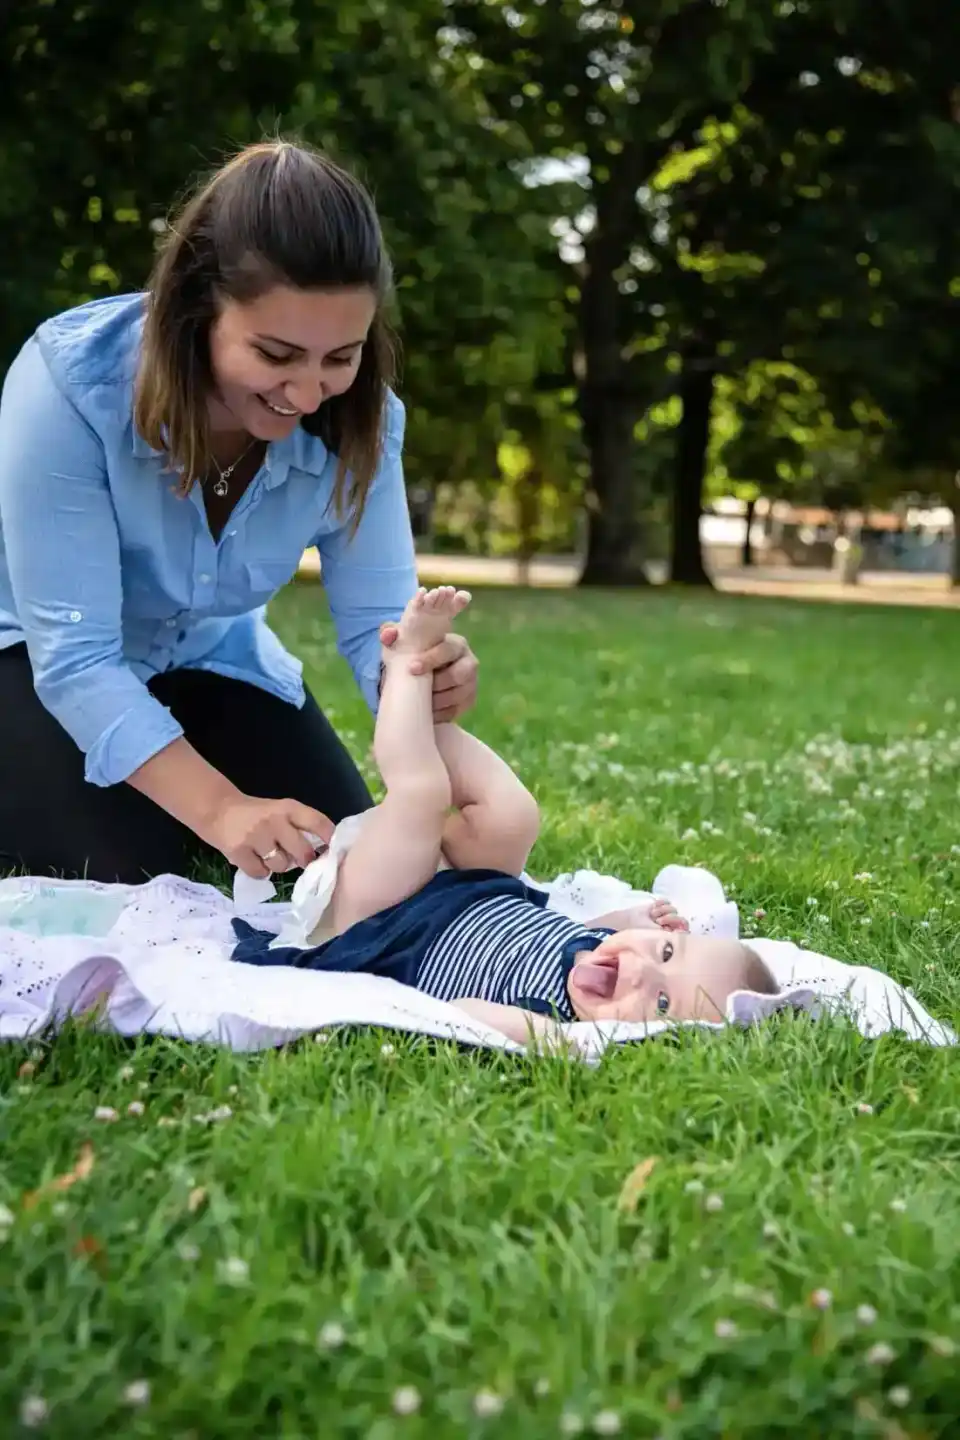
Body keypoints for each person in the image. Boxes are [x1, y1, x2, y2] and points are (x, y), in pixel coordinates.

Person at [0, 140, 478, 885]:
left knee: (335, 853)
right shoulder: (67, 387)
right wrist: (222, 810)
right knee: (129, 871)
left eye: (340, 356)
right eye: (277, 353)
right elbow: (78, 659)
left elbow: (375, 626)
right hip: (29, 656)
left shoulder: (366, 422)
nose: (310, 391)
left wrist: (417, 678)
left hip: (210, 656)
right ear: (198, 309)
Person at [233, 586, 779, 1045]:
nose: (638, 967)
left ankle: (407, 673)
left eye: (661, 1000)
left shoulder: (551, 1019)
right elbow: (566, 929)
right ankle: (413, 717)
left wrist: (552, 1041)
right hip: (460, 888)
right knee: (514, 816)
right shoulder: (599, 954)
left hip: (381, 922)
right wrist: (629, 922)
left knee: (422, 795)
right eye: (665, 950)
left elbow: (469, 1019)